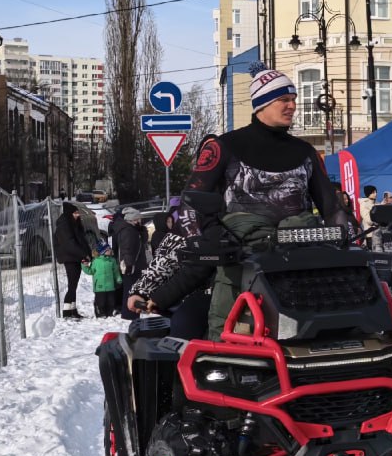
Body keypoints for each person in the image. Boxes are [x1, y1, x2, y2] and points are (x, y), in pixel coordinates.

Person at [133, 69, 349, 333]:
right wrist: (213, 242)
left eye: (293, 98)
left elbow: (333, 208)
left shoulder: (306, 153)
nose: (292, 105)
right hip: (238, 270)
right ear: (262, 103)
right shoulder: (224, 147)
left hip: (299, 268)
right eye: (284, 99)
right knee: (222, 338)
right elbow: (190, 205)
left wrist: (348, 242)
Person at [53, 201, 92, 319]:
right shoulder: (64, 225)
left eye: (78, 213)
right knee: (72, 285)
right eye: (75, 213)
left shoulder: (74, 224)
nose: (77, 215)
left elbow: (81, 240)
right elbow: (70, 244)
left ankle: (72, 310)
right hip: (69, 257)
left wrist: (86, 254)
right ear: (70, 213)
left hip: (75, 256)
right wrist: (83, 254)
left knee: (74, 285)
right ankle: (66, 311)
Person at [115, 208, 150, 320]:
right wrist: (129, 265)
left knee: (132, 288)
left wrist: (142, 229)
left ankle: (131, 312)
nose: (140, 221)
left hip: (136, 264)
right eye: (138, 219)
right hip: (132, 266)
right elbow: (127, 249)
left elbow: (143, 241)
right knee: (130, 289)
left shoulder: (133, 229)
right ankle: (129, 313)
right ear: (132, 219)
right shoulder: (128, 231)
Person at [84, 242, 122, 318]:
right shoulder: (96, 261)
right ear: (103, 251)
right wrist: (84, 266)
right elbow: (90, 271)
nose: (110, 250)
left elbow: (116, 271)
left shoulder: (112, 261)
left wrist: (118, 278)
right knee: (100, 302)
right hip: (99, 287)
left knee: (111, 302)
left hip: (110, 286)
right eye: (108, 249)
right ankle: (100, 314)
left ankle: (109, 313)